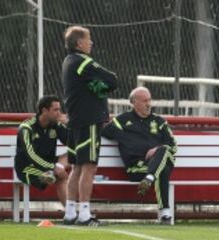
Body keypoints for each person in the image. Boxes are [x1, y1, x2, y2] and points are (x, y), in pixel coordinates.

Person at [62, 26, 117, 226]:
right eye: (88, 39)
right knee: (89, 167)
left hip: (75, 121)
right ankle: (84, 214)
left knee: (76, 167)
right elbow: (112, 79)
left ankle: (70, 213)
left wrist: (96, 86)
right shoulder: (83, 61)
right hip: (88, 121)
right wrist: (101, 86)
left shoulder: (68, 61)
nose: (91, 43)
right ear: (79, 43)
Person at [102, 87, 177, 224]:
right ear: (134, 102)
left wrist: (157, 149)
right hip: (136, 168)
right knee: (163, 170)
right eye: (144, 101)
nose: (148, 104)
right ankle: (165, 214)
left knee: (164, 149)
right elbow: (104, 131)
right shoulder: (122, 121)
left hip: (155, 164)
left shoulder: (159, 122)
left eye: (149, 100)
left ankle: (149, 178)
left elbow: (173, 147)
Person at [14, 95, 69, 205]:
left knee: (73, 153)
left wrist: (68, 125)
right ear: (44, 110)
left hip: (49, 165)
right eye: (56, 110)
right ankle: (70, 213)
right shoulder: (26, 128)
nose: (59, 113)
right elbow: (31, 155)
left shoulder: (56, 124)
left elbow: (72, 144)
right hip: (28, 168)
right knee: (59, 177)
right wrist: (53, 167)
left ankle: (70, 214)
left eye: (60, 109)